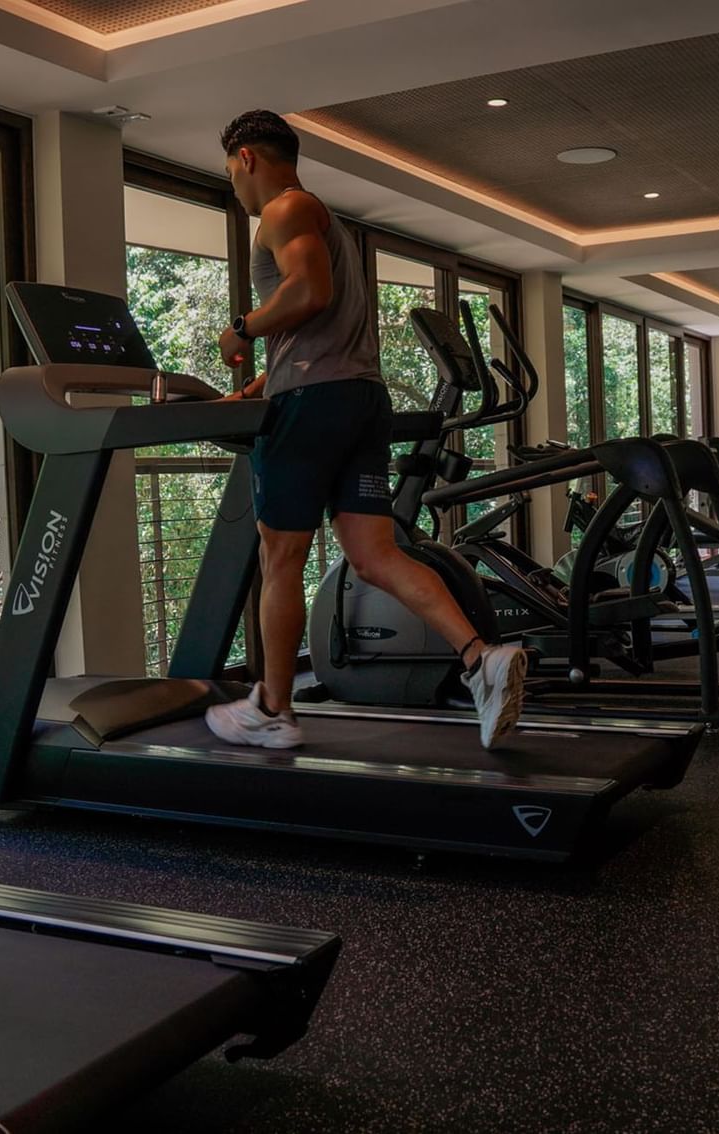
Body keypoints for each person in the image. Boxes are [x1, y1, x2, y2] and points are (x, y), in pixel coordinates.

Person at [204, 109, 526, 752]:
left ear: (246, 159)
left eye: (230, 175)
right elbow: (320, 330)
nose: (235, 191)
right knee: (375, 555)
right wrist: (262, 385)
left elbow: (309, 293)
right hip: (358, 398)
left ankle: (271, 705)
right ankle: (479, 658)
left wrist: (241, 329)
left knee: (280, 556)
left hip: (315, 405)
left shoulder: (285, 209)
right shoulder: (332, 223)